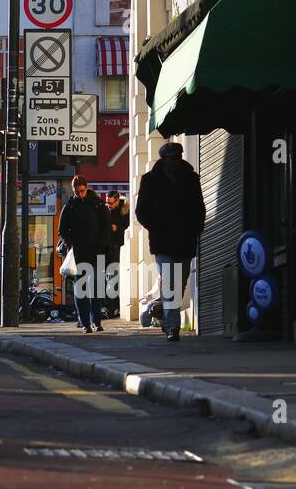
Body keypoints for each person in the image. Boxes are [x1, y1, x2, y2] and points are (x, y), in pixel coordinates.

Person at [135, 142, 206, 342]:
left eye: (178, 157)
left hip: (184, 238)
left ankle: (168, 320)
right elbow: (141, 211)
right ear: (164, 159)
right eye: (172, 158)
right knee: (169, 282)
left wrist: (195, 228)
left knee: (179, 282)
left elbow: (199, 207)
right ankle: (173, 327)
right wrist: (156, 226)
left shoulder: (191, 179)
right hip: (163, 240)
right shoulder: (150, 180)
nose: (176, 161)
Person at [58, 174, 112, 333]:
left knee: (95, 289)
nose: (80, 194)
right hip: (79, 253)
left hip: (95, 252)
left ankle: (97, 321)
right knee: (80, 289)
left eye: (82, 191)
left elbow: (106, 227)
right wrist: (71, 244)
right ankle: (85, 323)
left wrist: (101, 245)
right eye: (77, 192)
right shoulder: (70, 205)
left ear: (86, 187)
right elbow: (62, 229)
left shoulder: (97, 204)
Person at [104, 190, 131, 319]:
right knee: (110, 279)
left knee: (116, 279)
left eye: (111, 203)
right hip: (108, 248)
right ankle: (111, 308)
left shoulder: (125, 210)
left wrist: (117, 229)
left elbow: (129, 228)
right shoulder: (106, 210)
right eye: (107, 203)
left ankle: (116, 307)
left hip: (120, 248)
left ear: (116, 200)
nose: (109, 205)